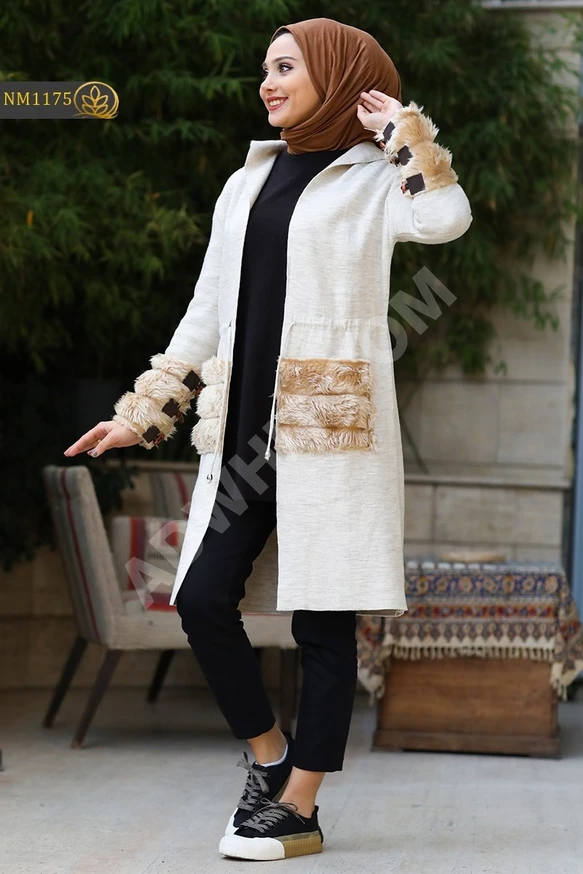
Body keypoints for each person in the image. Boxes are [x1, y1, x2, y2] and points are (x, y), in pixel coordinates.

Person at [65, 18, 472, 862]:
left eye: (286, 66)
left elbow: (446, 219)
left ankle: (300, 807)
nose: (268, 82)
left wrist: (402, 131)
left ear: (339, 76)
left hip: (329, 432)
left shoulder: (373, 179)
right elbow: (207, 307)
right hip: (243, 435)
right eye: (265, 69)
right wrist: (143, 410)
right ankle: (268, 758)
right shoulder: (246, 180)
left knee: (324, 622)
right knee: (200, 599)